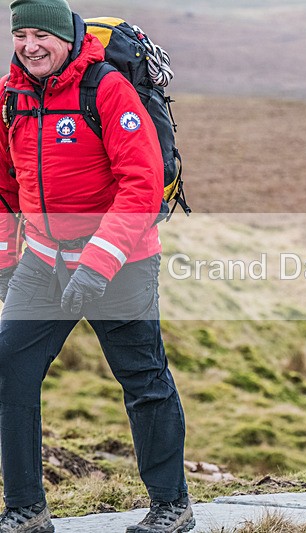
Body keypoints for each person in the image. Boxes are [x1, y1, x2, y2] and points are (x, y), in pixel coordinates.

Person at [0, 1, 193, 532]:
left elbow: (142, 184)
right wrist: (6, 259)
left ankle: (171, 505)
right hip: (43, 262)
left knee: (143, 379)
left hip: (120, 262)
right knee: (9, 370)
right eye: (21, 35)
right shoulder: (11, 96)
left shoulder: (106, 89)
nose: (30, 46)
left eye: (41, 35)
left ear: (65, 37)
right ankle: (25, 509)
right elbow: (4, 186)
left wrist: (98, 262)